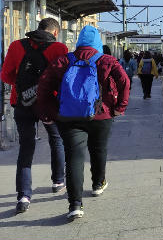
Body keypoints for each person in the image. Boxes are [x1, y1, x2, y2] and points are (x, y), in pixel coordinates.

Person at [37, 25, 130, 220]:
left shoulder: (63, 60)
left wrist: (53, 112)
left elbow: (43, 87)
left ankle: (75, 205)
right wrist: (119, 107)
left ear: (79, 41)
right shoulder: (106, 60)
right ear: (97, 42)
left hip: (69, 117)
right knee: (99, 150)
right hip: (101, 115)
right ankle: (98, 184)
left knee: (74, 158)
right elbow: (124, 82)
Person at [0, 18, 68, 214]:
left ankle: (23, 196)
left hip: (22, 103)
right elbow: (63, 79)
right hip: (48, 104)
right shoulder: (59, 48)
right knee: (56, 140)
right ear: (55, 32)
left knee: (26, 147)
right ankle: (58, 181)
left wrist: (24, 88)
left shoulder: (16, 45)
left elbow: (5, 76)